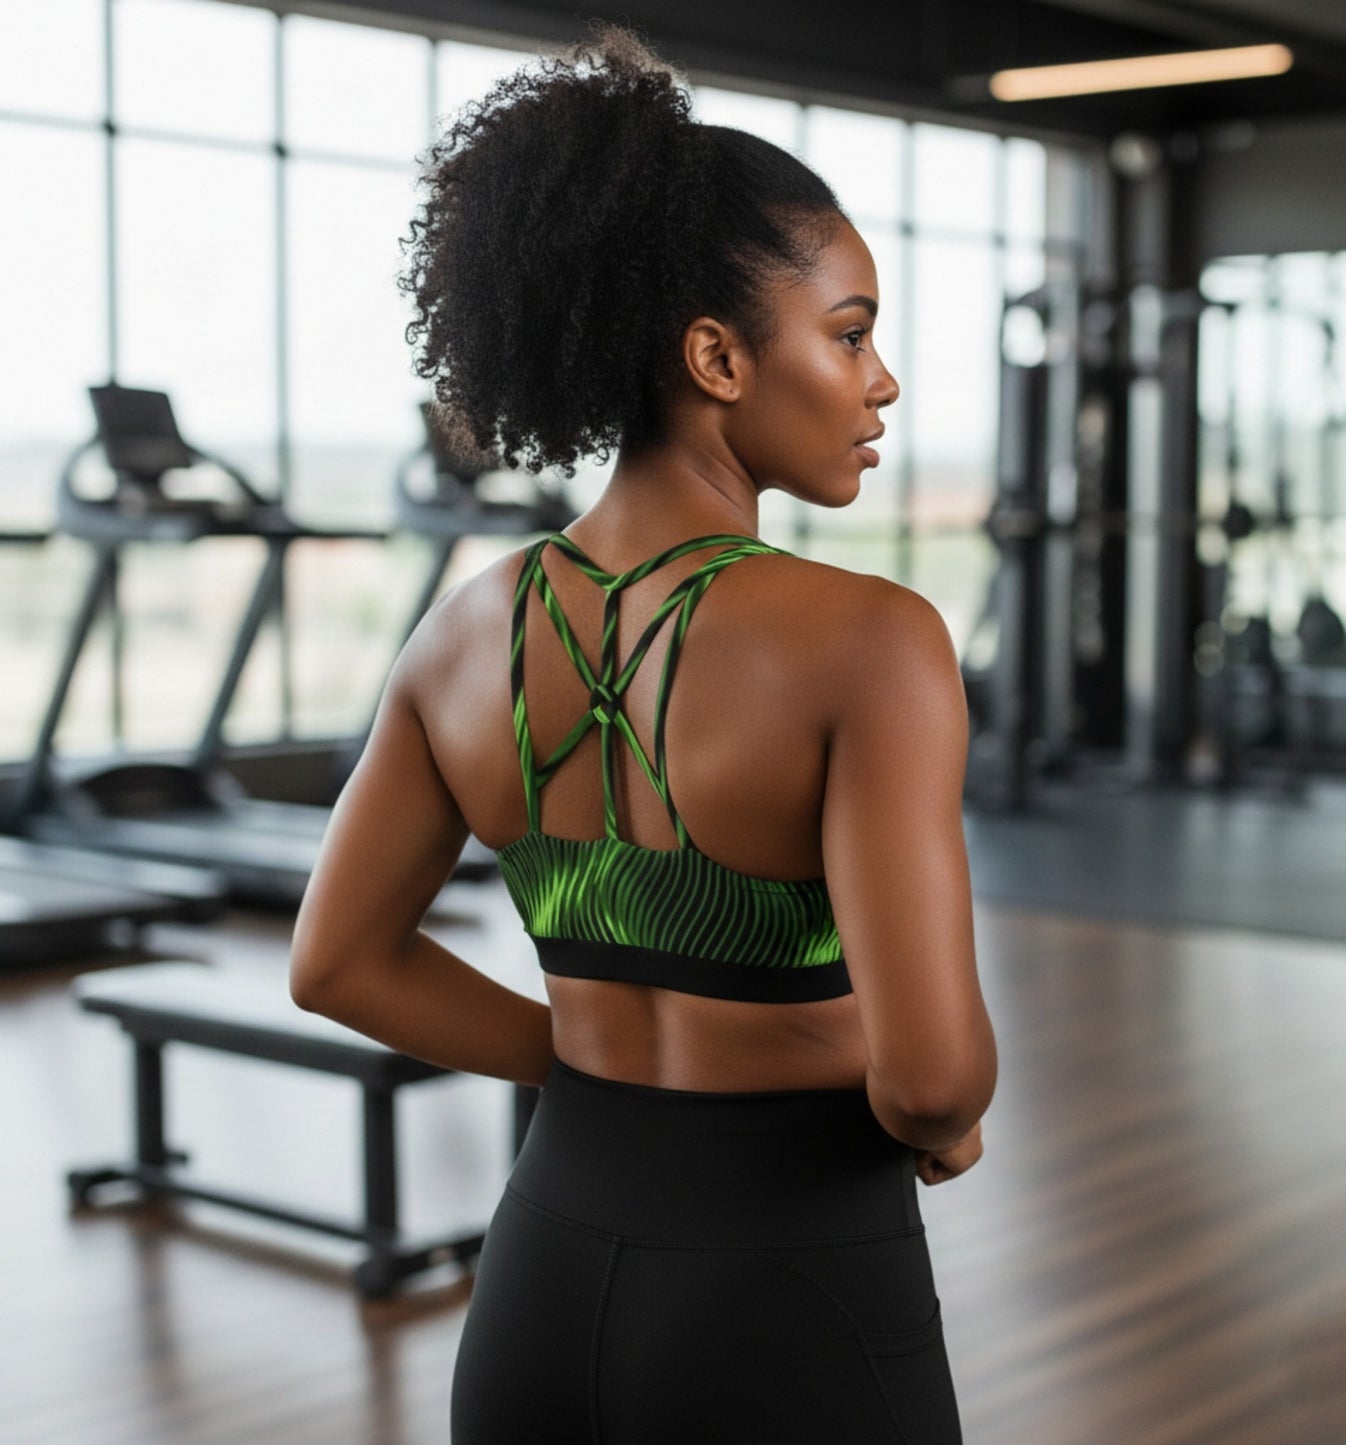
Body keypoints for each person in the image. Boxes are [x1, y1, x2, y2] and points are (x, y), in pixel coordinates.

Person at [290, 22, 996, 1445]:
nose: (882, 383)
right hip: (794, 1300)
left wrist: (590, 1065)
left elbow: (338, 962)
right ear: (715, 356)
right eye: (850, 332)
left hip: (543, 1279)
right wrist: (942, 1120)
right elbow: (929, 1076)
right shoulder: (874, 641)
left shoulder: (458, 634)